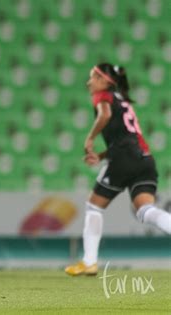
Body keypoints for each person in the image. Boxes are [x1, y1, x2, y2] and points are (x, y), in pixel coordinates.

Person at [65, 63, 171, 276]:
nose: (89, 83)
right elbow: (127, 138)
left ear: (105, 81)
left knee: (94, 207)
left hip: (124, 158)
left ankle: (89, 262)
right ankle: (88, 261)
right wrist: (102, 155)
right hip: (144, 159)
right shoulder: (123, 101)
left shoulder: (104, 96)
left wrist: (90, 138)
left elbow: (103, 116)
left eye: (93, 78)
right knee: (145, 211)